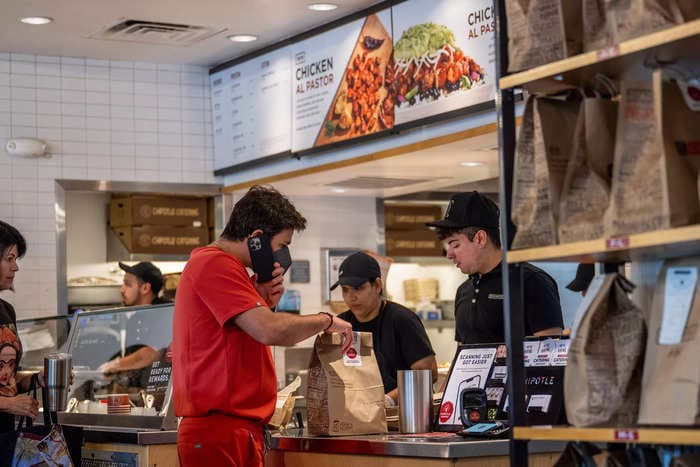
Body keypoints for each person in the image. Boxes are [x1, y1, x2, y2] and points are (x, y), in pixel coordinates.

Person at [172, 185, 353, 467]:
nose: (282, 257)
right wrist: (325, 320)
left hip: (236, 430)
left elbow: (239, 337)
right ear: (256, 238)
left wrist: (262, 301)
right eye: (281, 246)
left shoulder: (230, 270)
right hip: (218, 431)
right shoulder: (213, 264)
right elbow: (270, 330)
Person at [426, 191, 563, 345]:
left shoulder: (530, 281)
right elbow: (462, 350)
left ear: (480, 238)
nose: (449, 254)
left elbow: (551, 350)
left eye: (455, 244)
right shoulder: (464, 290)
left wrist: (509, 355)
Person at [333, 251, 437, 406]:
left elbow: (427, 374)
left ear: (378, 286)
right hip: (358, 414)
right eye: (345, 290)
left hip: (405, 416)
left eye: (358, 288)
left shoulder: (402, 320)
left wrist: (389, 400)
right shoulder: (341, 324)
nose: (351, 296)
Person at [0, 221, 54, 433]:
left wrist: (38, 379)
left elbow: (9, 380)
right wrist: (8, 404)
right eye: (9, 259)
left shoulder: (7, 310)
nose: (16, 267)